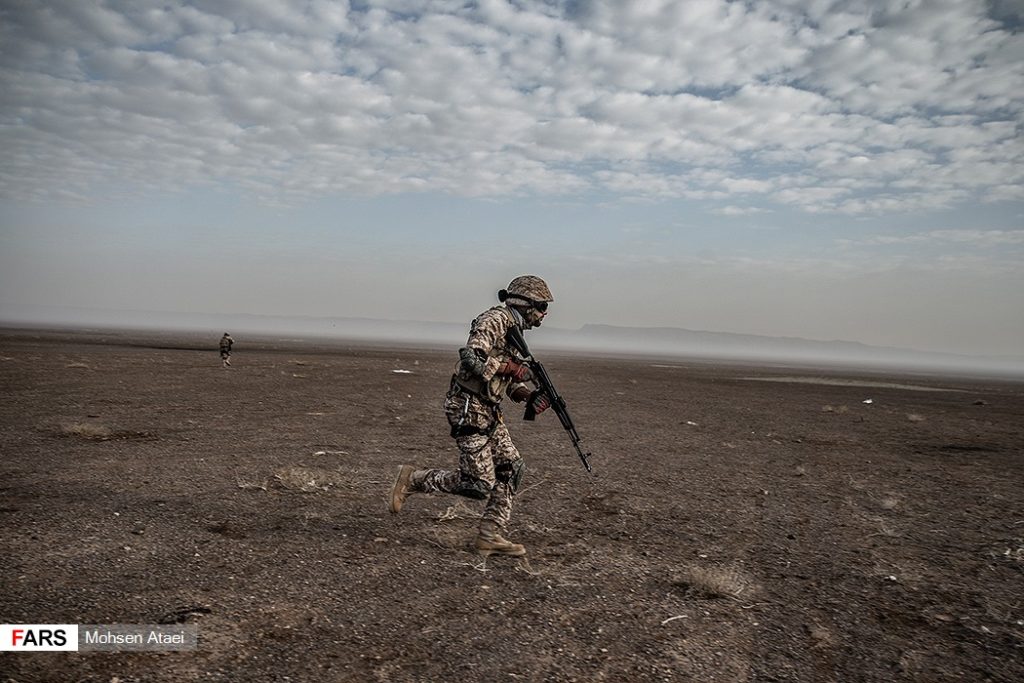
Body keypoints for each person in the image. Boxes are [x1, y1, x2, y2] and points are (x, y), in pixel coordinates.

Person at [389, 275, 555, 557]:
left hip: (489, 410)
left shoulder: (516, 331)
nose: (544, 313)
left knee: (511, 469)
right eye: (540, 306)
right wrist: (512, 368)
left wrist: (529, 397)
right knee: (477, 484)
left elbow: (510, 385)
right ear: (524, 303)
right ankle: (413, 480)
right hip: (467, 406)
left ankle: (490, 535)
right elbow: (471, 358)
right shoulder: (494, 320)